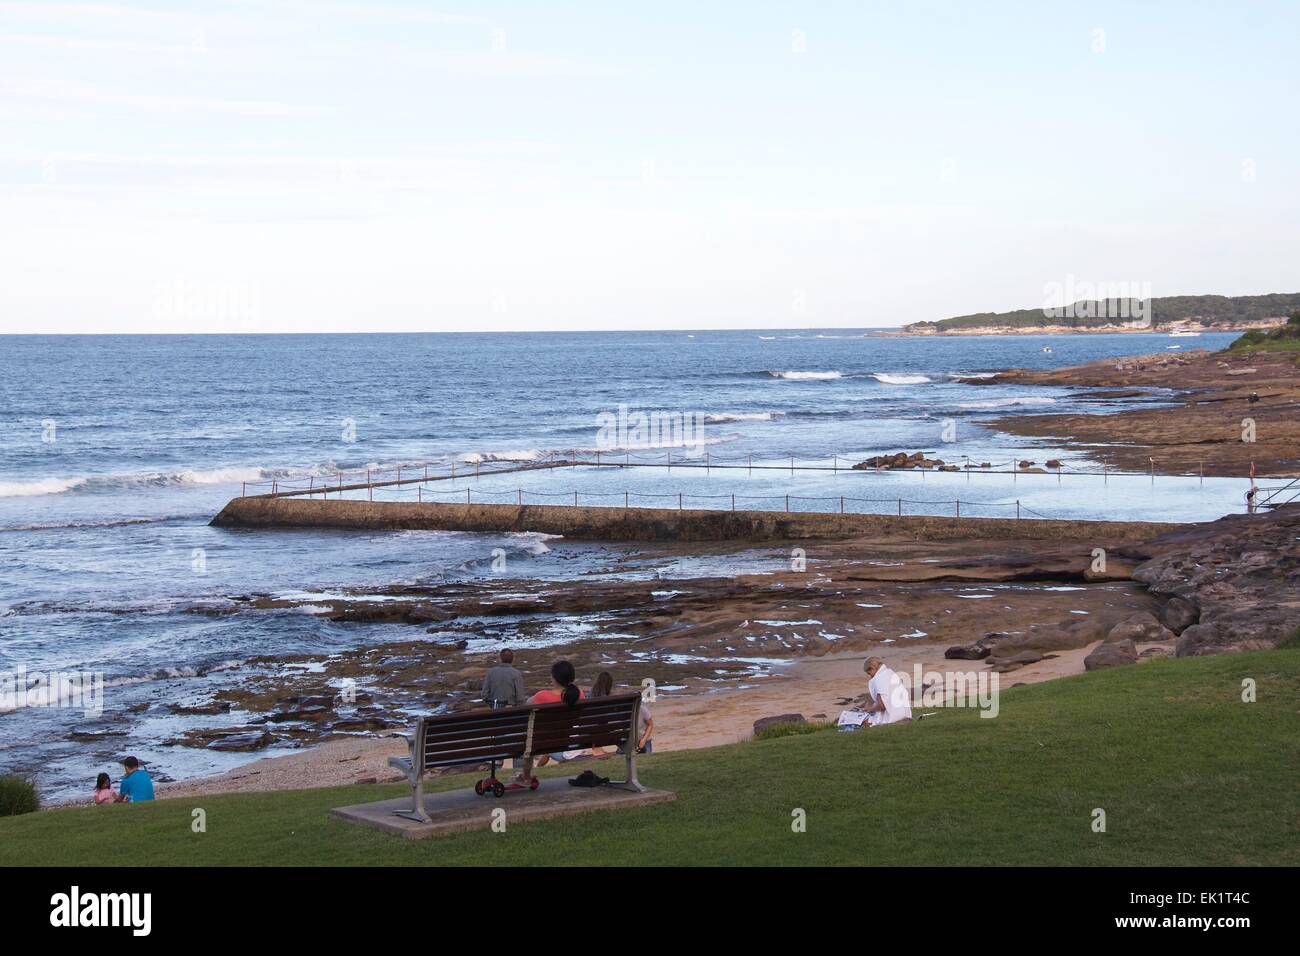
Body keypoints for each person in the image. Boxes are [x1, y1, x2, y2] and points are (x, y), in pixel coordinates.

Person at [515, 660, 584, 783]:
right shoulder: (579, 694)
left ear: (555, 678)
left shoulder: (543, 696)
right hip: (573, 743)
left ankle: (525, 776)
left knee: (528, 738)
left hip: (550, 744)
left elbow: (527, 705)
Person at [862, 657, 912, 726]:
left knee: (864, 722)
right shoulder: (890, 672)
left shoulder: (878, 679)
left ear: (872, 668)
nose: (870, 676)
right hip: (905, 713)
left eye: (869, 673)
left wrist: (870, 709)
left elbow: (881, 706)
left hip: (893, 716)